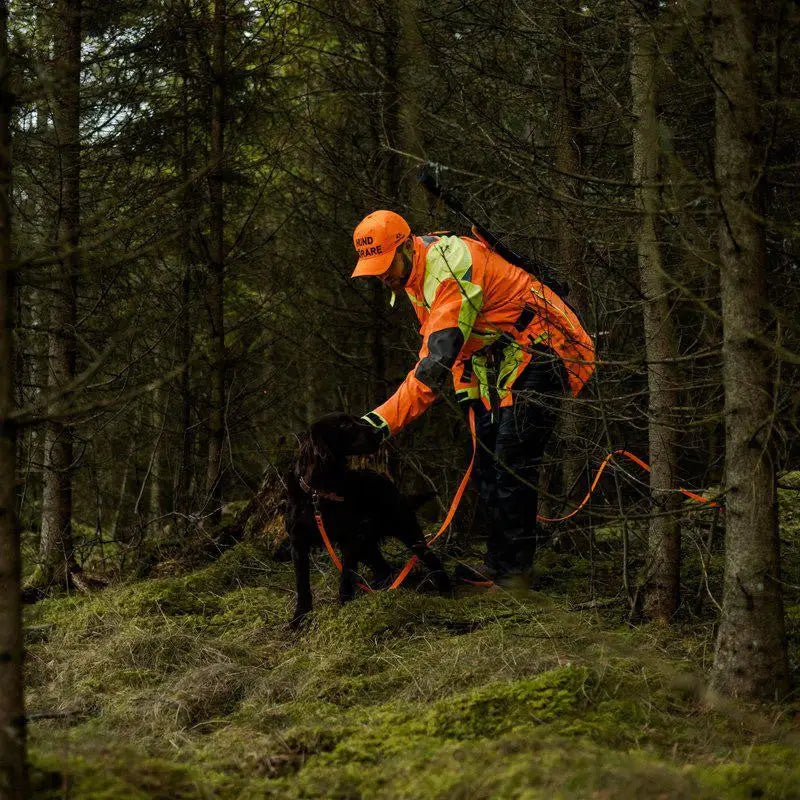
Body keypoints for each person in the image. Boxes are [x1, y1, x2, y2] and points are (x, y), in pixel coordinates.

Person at [350, 209, 595, 586]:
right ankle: (498, 567)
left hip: (548, 347)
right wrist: (470, 394)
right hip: (502, 362)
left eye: (385, 265)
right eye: (375, 268)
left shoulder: (448, 270)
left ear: (405, 246)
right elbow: (462, 346)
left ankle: (515, 576)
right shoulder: (416, 278)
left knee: (512, 461)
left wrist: (380, 423)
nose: (382, 275)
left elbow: (435, 363)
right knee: (488, 464)